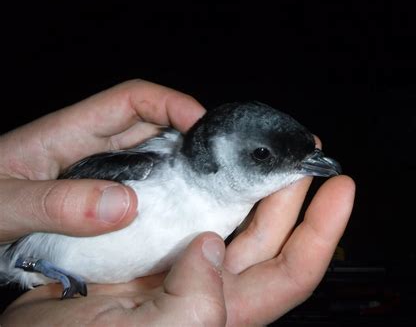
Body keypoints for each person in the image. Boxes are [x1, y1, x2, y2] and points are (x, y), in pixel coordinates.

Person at [0, 80, 355, 325]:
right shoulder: (147, 173)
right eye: (263, 156)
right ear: (216, 158)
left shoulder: (226, 212)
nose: (315, 165)